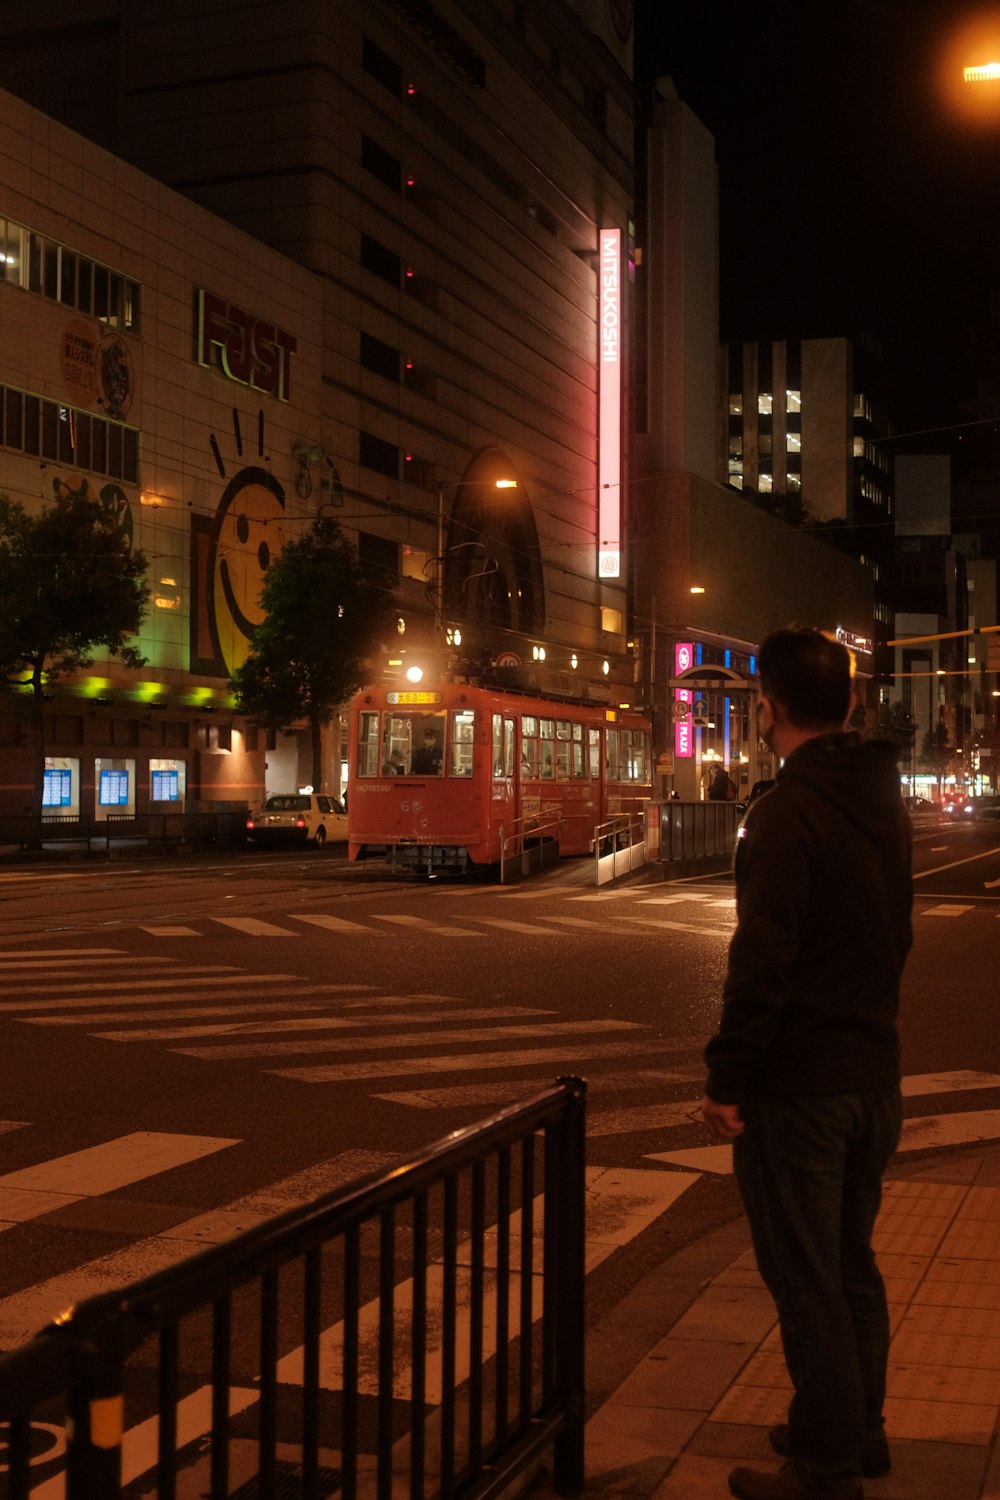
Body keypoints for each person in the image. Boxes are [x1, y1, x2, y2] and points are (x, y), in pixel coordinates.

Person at [699, 627, 913, 1500]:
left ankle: (824, 1468)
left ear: (768, 710)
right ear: (853, 704)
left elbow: (764, 963)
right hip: (874, 1074)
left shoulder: (783, 814)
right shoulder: (882, 797)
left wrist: (727, 1080)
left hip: (804, 1087)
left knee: (806, 1278)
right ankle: (856, 1428)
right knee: (851, 1263)